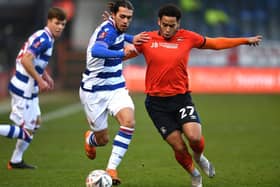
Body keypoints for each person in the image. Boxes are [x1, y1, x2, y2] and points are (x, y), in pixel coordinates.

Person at [124, 4, 262, 187]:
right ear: (158, 22)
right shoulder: (147, 39)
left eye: (171, 25)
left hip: (181, 98)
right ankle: (195, 175)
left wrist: (244, 40)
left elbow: (215, 43)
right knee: (178, 146)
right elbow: (124, 54)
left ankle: (199, 157)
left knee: (195, 137)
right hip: (156, 104)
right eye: (164, 24)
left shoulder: (187, 37)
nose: (167, 29)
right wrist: (106, 54)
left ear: (178, 24)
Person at [79, 0, 149, 185]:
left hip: (116, 86)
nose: (126, 21)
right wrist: (122, 54)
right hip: (94, 91)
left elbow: (120, 35)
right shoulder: (107, 30)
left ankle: (111, 169)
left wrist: (132, 38)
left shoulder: (117, 29)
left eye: (129, 18)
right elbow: (97, 50)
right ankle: (91, 139)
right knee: (102, 140)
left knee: (129, 121)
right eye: (122, 17)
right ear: (113, 16)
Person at [0, 7, 67, 169]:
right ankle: (15, 160)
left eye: (63, 24)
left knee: (35, 123)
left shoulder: (46, 37)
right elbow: (26, 60)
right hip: (24, 88)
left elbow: (35, 61)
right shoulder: (44, 39)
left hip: (30, 88)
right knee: (26, 131)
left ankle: (16, 160)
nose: (60, 27)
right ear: (49, 22)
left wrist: (44, 75)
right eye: (57, 23)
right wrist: (40, 79)